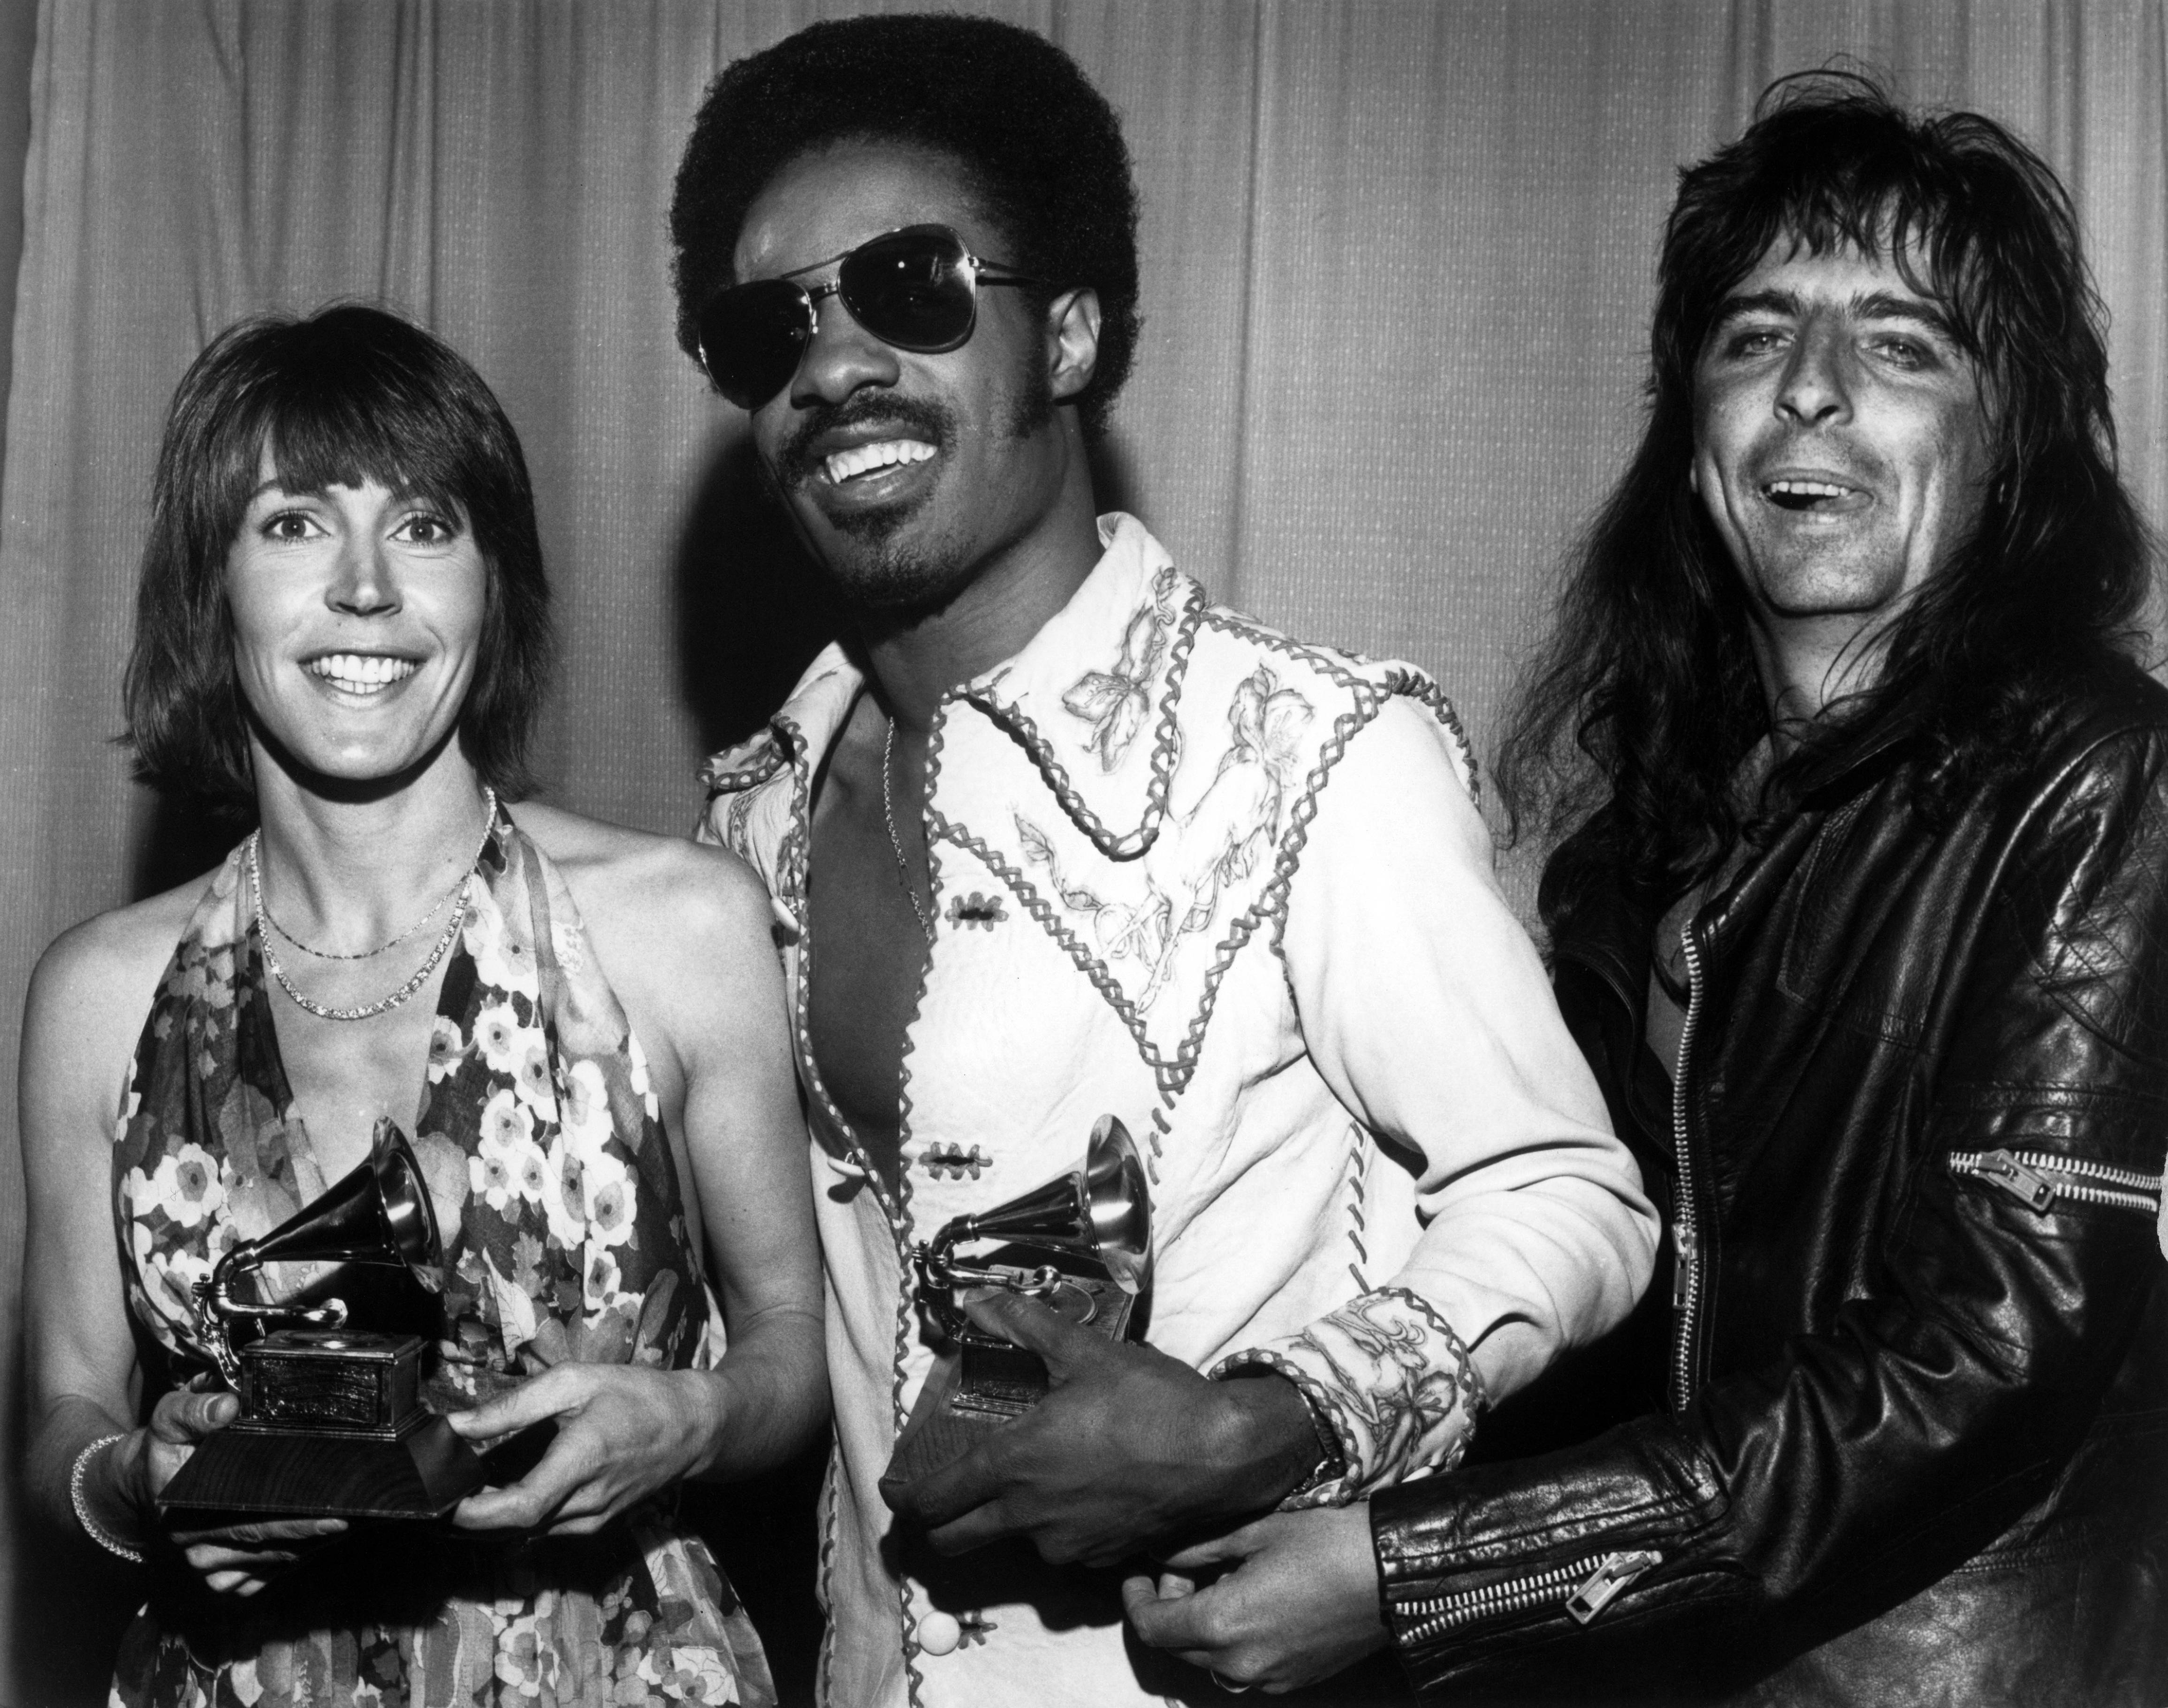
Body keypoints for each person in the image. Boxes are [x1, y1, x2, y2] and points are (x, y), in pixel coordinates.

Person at [1126, 72, 2168, 1705]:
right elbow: (1600, 1307)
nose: (1811, 392)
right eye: (1756, 337)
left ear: (2006, 443)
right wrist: (1265, 1432)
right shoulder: (1645, 851)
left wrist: (1426, 1579)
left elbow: (1994, 1346)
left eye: (1902, 345)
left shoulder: (2102, 777)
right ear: (1696, 446)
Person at [669, 15, 1657, 1705]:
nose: (832, 368)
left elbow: (1568, 1193)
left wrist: (1257, 1430)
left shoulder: (1309, 755)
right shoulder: (748, 816)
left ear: (1065, 333)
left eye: (908, 283)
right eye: (772, 329)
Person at [21, 304, 826, 1707]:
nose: (365, 589)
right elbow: (62, 1424)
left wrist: (689, 1421)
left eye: (425, 524)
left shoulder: (680, 927)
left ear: (491, 588)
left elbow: (795, 1360)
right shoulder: (100, 994)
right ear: (209, 588)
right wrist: (141, 1487)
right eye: (291, 525)